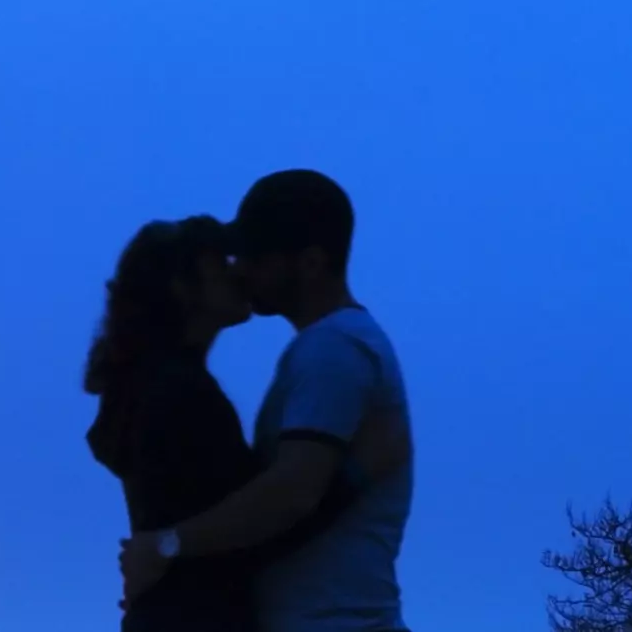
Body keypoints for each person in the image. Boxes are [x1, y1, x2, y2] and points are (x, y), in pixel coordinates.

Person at [119, 170, 414, 632]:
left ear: (311, 263)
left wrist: (164, 547)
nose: (240, 268)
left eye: (256, 254)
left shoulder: (333, 348)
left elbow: (291, 495)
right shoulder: (324, 348)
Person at [86, 216, 360, 632]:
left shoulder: (151, 385)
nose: (237, 272)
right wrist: (359, 471)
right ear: (182, 286)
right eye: (220, 263)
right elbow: (258, 526)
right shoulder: (181, 393)